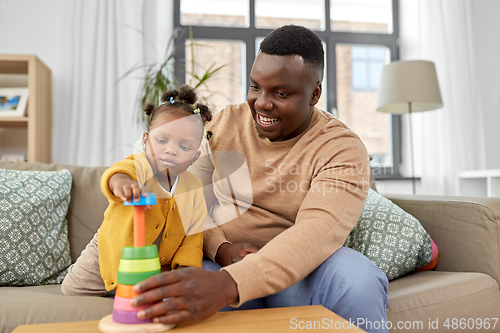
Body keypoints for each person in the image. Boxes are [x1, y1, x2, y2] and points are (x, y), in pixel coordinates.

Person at [61, 85, 213, 295]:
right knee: (73, 291)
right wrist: (124, 185)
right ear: (145, 141)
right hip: (108, 257)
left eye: (184, 147)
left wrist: (186, 270)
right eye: (161, 140)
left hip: (150, 268)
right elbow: (119, 173)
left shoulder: (193, 186)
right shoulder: (141, 166)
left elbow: (193, 234)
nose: (170, 150)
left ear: (195, 157)